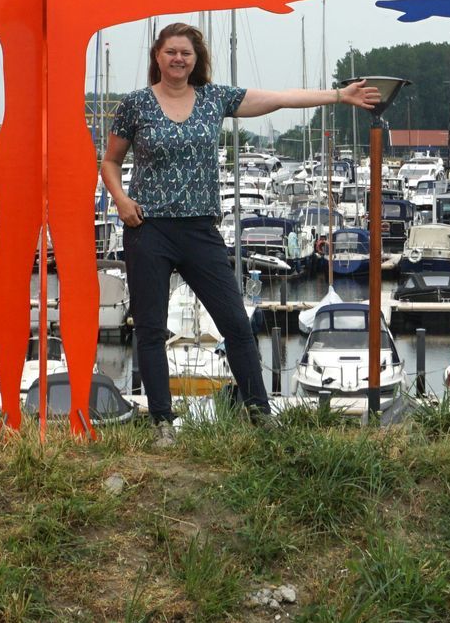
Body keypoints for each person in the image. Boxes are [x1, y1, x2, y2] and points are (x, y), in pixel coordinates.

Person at [101, 22, 379, 443]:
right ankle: (162, 422)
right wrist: (121, 200)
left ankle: (260, 413)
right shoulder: (136, 104)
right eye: (171, 51)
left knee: (236, 323)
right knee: (151, 329)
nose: (178, 59)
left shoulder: (214, 99)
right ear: (157, 55)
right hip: (148, 229)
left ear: (196, 59)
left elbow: (279, 98)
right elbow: (110, 161)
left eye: (186, 53)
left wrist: (340, 96)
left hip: (201, 230)